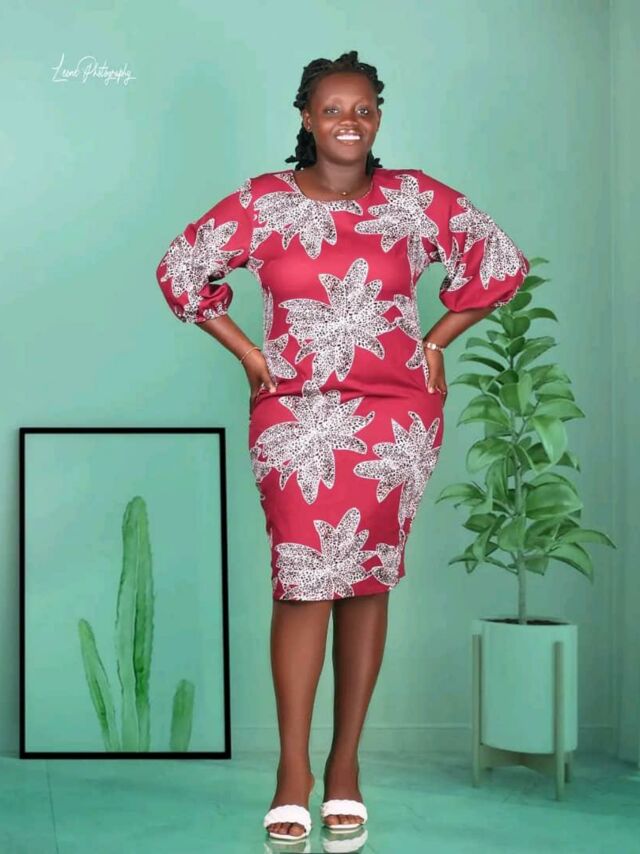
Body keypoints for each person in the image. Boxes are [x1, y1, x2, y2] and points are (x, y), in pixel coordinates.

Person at [155, 50, 529, 843]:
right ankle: (293, 771)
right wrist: (249, 354)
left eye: (363, 109)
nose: (349, 122)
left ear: (378, 118)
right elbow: (182, 269)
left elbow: (499, 264)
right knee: (304, 580)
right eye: (333, 109)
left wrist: (437, 339)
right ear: (306, 118)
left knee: (366, 579)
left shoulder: (414, 199)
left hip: (395, 416)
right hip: (294, 418)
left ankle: (346, 765)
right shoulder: (263, 202)